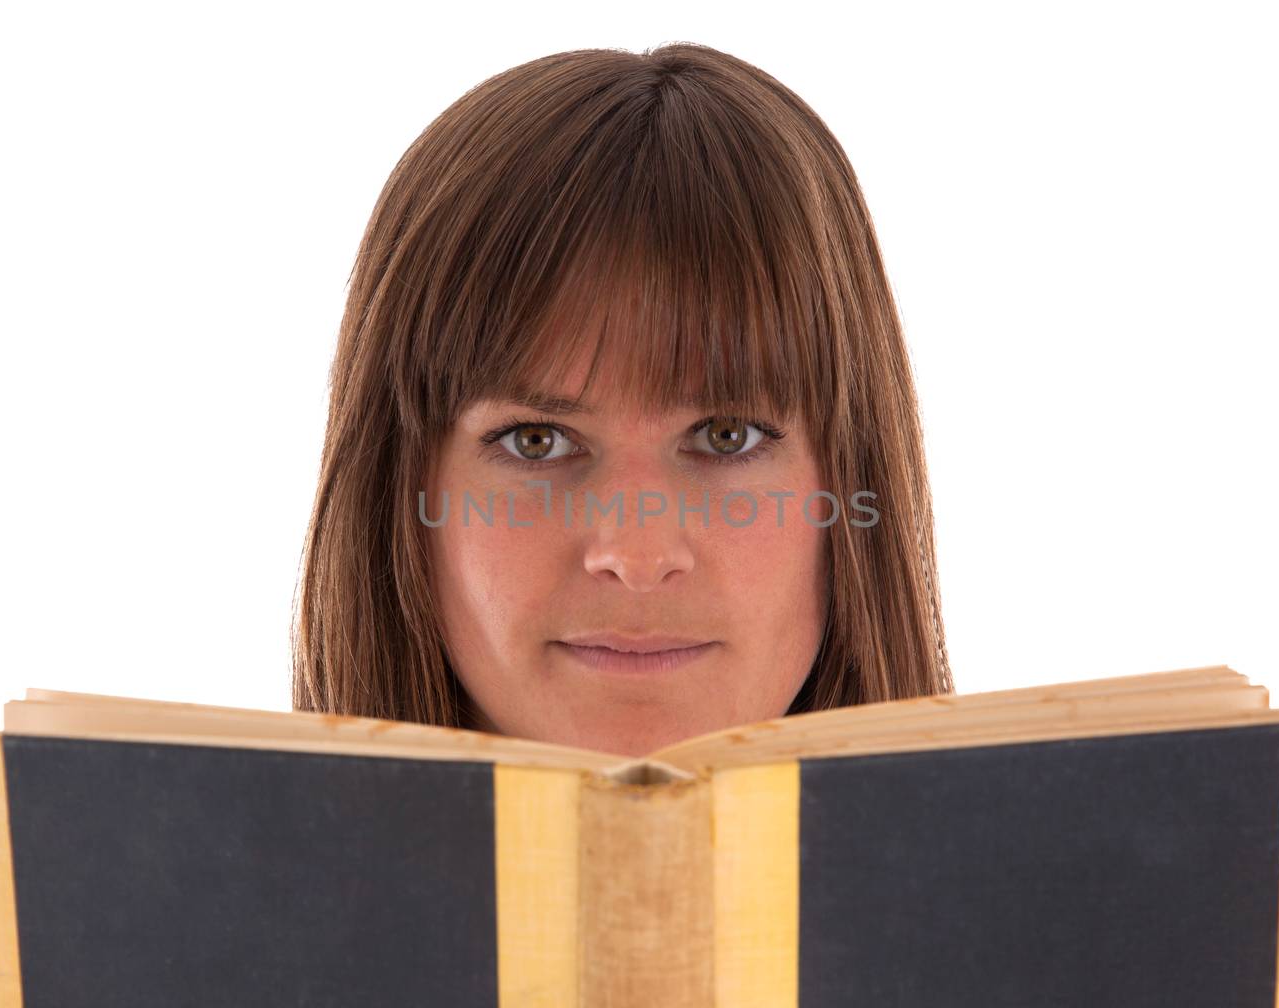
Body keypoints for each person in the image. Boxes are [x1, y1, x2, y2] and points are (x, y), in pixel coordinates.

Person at [290, 42, 951, 757]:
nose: (637, 554)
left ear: (849, 484)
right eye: (536, 439)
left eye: (727, 435)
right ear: (399, 494)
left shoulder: (1059, 870)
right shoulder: (174, 869)